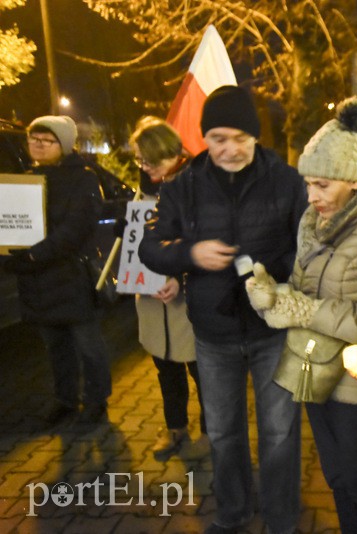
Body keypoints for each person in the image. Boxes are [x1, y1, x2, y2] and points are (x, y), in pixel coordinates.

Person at [138, 86, 308, 534]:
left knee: (279, 433)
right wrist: (191, 255)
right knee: (224, 431)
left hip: (273, 328)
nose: (229, 149)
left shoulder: (287, 180)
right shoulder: (181, 186)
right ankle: (232, 513)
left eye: (239, 137)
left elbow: (308, 247)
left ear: (254, 135)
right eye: (217, 138)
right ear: (204, 139)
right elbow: (150, 248)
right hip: (213, 333)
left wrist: (277, 278)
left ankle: (281, 518)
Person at [245, 98, 357, 533]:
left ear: (354, 181)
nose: (312, 196)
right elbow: (301, 291)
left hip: (355, 376)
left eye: (323, 185)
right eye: (309, 185)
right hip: (311, 365)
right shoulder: (310, 222)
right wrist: (273, 296)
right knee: (335, 473)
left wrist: (305, 309)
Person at [2, 115, 112, 426]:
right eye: (32, 138)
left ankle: (96, 400)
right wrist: (11, 254)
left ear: (63, 144)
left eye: (45, 139)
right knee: (55, 347)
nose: (36, 144)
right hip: (38, 280)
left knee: (88, 345)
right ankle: (66, 399)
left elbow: (75, 229)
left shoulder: (84, 178)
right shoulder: (24, 179)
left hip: (72, 276)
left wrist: (36, 255)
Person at [128, 116, 207, 459]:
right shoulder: (145, 185)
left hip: (189, 300)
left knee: (202, 370)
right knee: (164, 366)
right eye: (140, 161)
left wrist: (180, 276)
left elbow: (207, 241)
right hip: (152, 298)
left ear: (172, 153)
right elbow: (138, 235)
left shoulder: (199, 184)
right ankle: (175, 427)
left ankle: (212, 432)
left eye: (150, 160)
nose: (145, 167)